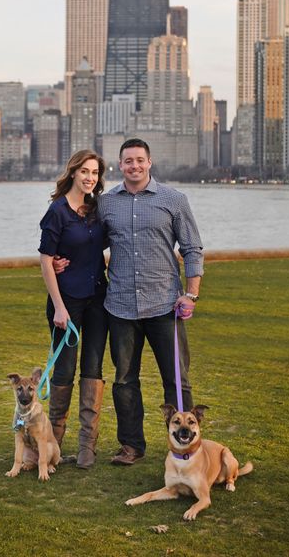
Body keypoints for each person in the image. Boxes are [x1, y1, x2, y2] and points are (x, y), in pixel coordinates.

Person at [96, 138, 203, 466]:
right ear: (120, 165)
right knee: (124, 379)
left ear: (149, 162)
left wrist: (191, 293)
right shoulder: (105, 203)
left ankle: (185, 447)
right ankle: (131, 446)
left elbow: (192, 248)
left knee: (177, 380)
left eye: (139, 160)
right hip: (121, 307)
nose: (134, 166)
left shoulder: (174, 200)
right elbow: (89, 245)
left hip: (164, 306)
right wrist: (61, 261)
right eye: (128, 161)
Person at [38, 149, 109, 469]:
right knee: (64, 372)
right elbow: (45, 260)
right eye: (85, 171)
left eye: (95, 173)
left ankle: (86, 448)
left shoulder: (96, 210)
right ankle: (51, 447)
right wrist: (59, 308)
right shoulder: (57, 212)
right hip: (66, 304)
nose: (90, 177)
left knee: (93, 371)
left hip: (98, 301)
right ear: (73, 172)